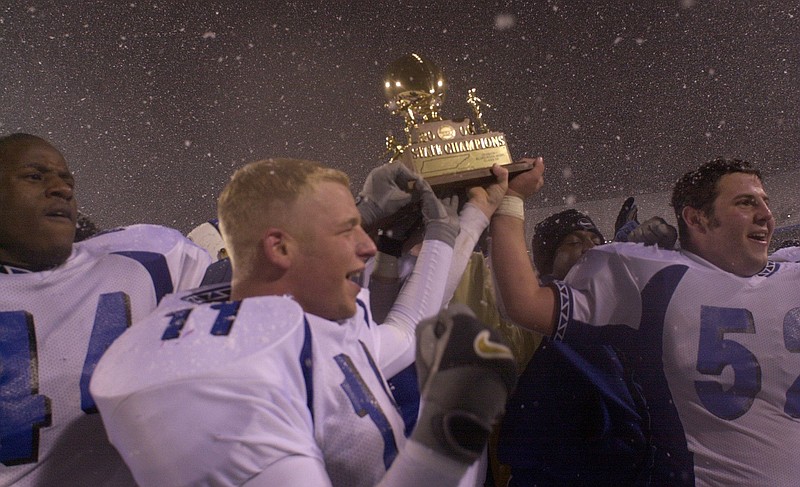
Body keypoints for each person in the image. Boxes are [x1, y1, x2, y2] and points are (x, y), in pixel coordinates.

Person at [90, 158, 517, 486]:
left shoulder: (291, 322)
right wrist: (445, 442)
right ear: (279, 248)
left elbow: (402, 333)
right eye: (347, 230)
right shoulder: (226, 376)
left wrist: (459, 221)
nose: (368, 247)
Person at [490, 157, 800, 485]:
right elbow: (524, 304)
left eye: (764, 201)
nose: (766, 214)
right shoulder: (652, 275)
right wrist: (509, 201)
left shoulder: (793, 270)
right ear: (697, 219)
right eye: (746, 202)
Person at [0, 133, 212, 486]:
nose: (61, 189)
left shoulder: (148, 260)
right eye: (34, 176)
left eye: (66, 180)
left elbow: (260, 271)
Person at [497, 209, 652, 486]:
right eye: (574, 241)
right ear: (547, 261)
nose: (590, 247)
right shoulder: (532, 318)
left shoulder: (618, 307)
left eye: (596, 240)